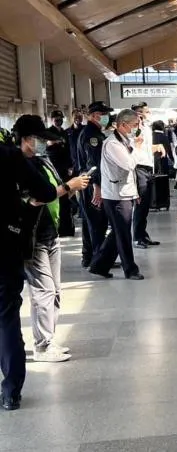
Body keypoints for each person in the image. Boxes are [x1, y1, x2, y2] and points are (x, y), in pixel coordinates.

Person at [14, 115, 90, 363]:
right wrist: (69, 186)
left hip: (50, 232)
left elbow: (55, 190)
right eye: (38, 140)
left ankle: (48, 338)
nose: (43, 145)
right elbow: (37, 198)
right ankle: (43, 345)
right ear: (25, 139)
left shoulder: (42, 162)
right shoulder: (15, 166)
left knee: (54, 291)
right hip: (32, 237)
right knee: (43, 291)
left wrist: (70, 187)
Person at [0, 122, 58, 410]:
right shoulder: (9, 156)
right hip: (4, 246)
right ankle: (11, 391)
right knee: (6, 316)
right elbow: (46, 192)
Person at [88, 109, 144, 281]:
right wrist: (138, 147)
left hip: (124, 192)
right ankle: (130, 269)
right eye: (135, 125)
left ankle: (99, 265)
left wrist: (135, 193)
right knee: (123, 233)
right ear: (123, 125)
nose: (137, 128)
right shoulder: (112, 144)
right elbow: (129, 165)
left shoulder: (124, 140)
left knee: (119, 232)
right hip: (116, 196)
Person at [77, 101, 112, 269]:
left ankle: (88, 256)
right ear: (92, 116)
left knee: (89, 222)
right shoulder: (92, 135)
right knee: (98, 223)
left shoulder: (93, 132)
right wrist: (97, 187)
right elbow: (93, 164)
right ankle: (99, 260)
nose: (105, 116)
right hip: (92, 184)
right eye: (102, 114)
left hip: (86, 182)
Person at [130, 103, 162, 250]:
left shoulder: (146, 128)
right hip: (139, 168)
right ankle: (137, 237)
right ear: (139, 114)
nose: (149, 114)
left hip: (149, 168)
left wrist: (157, 147)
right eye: (146, 112)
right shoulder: (133, 130)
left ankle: (143, 234)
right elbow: (132, 147)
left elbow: (146, 148)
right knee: (140, 203)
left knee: (146, 204)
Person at [46, 111, 75, 237]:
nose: (58, 120)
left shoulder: (65, 132)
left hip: (66, 169)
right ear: (51, 119)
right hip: (54, 169)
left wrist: (71, 166)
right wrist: (54, 142)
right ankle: (59, 228)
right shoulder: (48, 133)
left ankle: (67, 228)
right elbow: (46, 147)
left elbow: (69, 150)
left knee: (67, 200)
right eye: (56, 118)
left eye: (60, 118)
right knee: (58, 198)